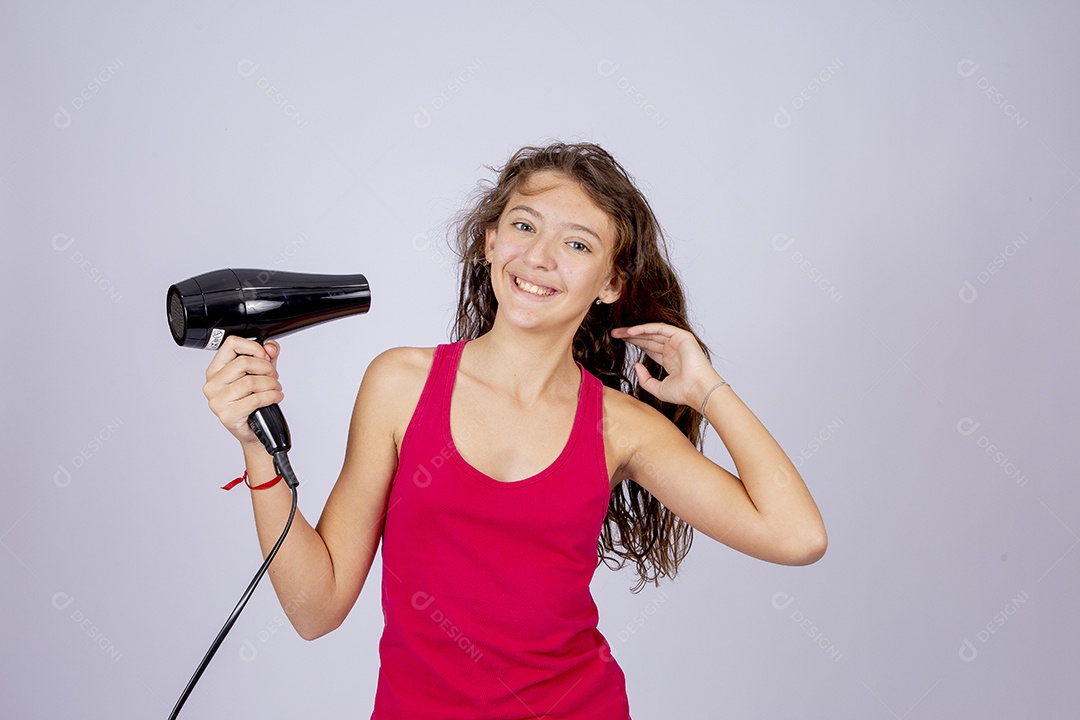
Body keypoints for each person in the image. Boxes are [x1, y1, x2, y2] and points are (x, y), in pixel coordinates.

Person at [202, 142, 827, 719]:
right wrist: (257, 448)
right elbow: (316, 607)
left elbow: (795, 536)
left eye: (578, 244)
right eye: (524, 226)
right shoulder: (401, 384)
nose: (540, 258)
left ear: (611, 282)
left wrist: (708, 390)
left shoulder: (618, 427)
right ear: (490, 241)